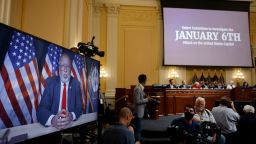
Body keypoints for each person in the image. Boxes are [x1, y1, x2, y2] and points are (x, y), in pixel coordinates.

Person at [37, 53, 82, 129]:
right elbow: (41, 109)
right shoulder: (51, 82)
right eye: (62, 65)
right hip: (53, 128)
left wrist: (72, 116)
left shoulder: (76, 84)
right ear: (58, 67)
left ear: (70, 69)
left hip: (70, 126)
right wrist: (52, 120)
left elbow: (79, 108)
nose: (65, 69)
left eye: (68, 66)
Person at [133, 74, 151, 143]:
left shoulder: (140, 88)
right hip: (138, 112)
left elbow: (140, 100)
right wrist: (147, 99)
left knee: (139, 128)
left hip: (140, 111)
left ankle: (138, 140)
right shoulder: (138, 88)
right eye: (146, 80)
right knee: (138, 128)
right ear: (145, 80)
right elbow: (137, 101)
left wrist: (145, 99)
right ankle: (137, 141)